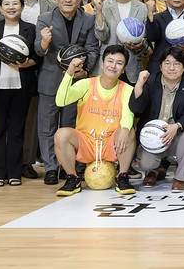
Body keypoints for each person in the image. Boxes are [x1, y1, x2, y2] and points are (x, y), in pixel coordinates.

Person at [34, 0, 99, 186]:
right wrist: (44, 42)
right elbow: (38, 49)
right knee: (47, 127)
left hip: (77, 82)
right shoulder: (45, 19)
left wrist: (83, 70)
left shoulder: (88, 19)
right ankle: (51, 168)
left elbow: (92, 49)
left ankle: (67, 168)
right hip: (51, 80)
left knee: (71, 126)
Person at [53, 46, 136, 196]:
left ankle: (122, 175)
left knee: (128, 130)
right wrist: (69, 73)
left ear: (123, 69)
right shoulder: (86, 84)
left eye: (119, 63)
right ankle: (73, 178)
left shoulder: (128, 89)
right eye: (110, 61)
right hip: (87, 143)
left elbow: (127, 116)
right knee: (61, 134)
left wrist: (124, 130)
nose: (113, 66)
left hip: (111, 144)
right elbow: (61, 100)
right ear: (102, 63)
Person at [0, 0, 38, 187]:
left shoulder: (30, 29)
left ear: (21, 7)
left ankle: (14, 172)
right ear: (0, 8)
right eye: (7, 4)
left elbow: (37, 58)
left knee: (17, 131)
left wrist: (26, 64)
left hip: (21, 88)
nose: (11, 7)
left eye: (15, 3)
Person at [131, 47, 184, 192]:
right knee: (145, 163)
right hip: (153, 135)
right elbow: (136, 107)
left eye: (176, 64)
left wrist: (176, 126)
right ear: (160, 66)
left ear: (183, 67)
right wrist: (139, 84)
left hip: (176, 133)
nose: (171, 68)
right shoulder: (151, 82)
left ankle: (179, 178)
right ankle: (152, 171)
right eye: (167, 63)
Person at [93, 0, 149, 83]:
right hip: (108, 68)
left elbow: (146, 43)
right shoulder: (103, 6)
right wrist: (98, 11)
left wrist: (139, 47)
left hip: (132, 70)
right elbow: (101, 36)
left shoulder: (142, 8)